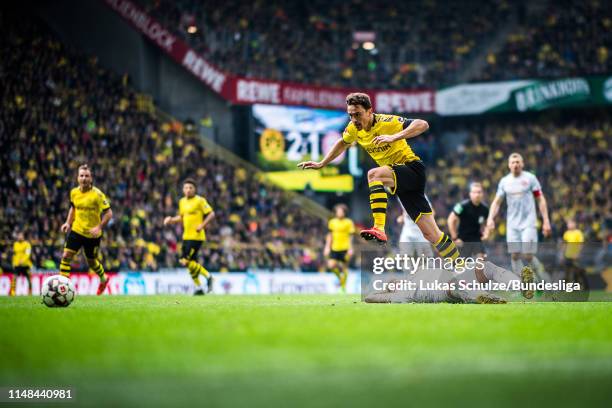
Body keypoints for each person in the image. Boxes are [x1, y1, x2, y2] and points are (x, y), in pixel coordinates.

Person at [298, 93, 461, 264]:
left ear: (369, 111)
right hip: (400, 182)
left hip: (412, 169)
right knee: (431, 234)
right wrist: (322, 163)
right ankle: (461, 267)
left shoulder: (386, 122)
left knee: (373, 174)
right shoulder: (354, 129)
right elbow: (342, 143)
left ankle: (379, 228)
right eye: (350, 115)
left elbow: (423, 124)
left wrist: (395, 136)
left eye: (358, 114)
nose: (354, 119)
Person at [486, 153, 552, 281]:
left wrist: (546, 221)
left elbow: (540, 199)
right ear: (509, 165)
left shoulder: (530, 178)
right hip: (512, 225)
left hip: (529, 223)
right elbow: (497, 202)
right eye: (513, 162)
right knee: (515, 255)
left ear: (522, 164)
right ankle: (528, 284)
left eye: (518, 162)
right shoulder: (505, 181)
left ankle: (543, 280)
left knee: (528, 254)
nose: (515, 164)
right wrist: (490, 218)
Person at [364, 261, 534, 304]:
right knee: (455, 287)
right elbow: (370, 298)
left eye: (394, 281)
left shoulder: (415, 273)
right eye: (392, 285)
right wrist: (384, 292)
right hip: (437, 289)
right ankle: (483, 297)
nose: (394, 281)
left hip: (453, 274)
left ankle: (521, 286)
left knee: (487, 267)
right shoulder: (403, 295)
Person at [59, 164, 113, 295]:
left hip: (93, 235)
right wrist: (68, 223)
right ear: (77, 178)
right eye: (81, 175)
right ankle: (63, 289)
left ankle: (103, 279)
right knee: (66, 256)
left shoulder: (98, 195)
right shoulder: (74, 192)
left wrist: (99, 227)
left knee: (92, 262)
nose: (84, 178)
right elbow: (73, 208)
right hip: (77, 230)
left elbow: (109, 213)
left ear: (91, 178)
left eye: (86, 176)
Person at [164, 178, 215, 295]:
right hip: (186, 236)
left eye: (190, 188)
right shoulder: (182, 201)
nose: (188, 190)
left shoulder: (200, 201)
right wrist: (171, 220)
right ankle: (199, 288)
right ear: (183, 189)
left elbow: (212, 213)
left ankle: (209, 277)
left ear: (195, 189)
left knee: (184, 261)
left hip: (196, 236)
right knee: (190, 264)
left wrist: (202, 225)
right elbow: (181, 217)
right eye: (186, 188)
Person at [447, 182, 489, 259]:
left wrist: (486, 233)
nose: (477, 194)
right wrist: (455, 238)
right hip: (462, 240)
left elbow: (487, 223)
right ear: (470, 194)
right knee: (461, 267)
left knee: (481, 261)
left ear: (482, 194)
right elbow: (451, 219)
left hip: (476, 239)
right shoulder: (462, 206)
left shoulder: (485, 209)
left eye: (479, 192)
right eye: (474, 192)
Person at [324, 204, 355, 292]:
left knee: (344, 267)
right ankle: (341, 280)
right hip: (334, 248)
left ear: (344, 213)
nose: (339, 213)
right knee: (331, 265)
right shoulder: (332, 222)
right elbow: (329, 235)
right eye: (338, 211)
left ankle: (343, 287)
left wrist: (350, 248)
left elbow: (351, 236)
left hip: (345, 248)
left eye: (341, 211)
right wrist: (327, 247)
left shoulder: (348, 222)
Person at [563, 218, 587, 289]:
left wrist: (577, 254)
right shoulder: (566, 233)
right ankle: (567, 288)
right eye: (568, 224)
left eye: (570, 223)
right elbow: (565, 244)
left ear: (574, 224)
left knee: (576, 273)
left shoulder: (578, 233)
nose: (568, 225)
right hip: (567, 256)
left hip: (575, 256)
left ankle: (579, 287)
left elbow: (581, 244)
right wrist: (563, 254)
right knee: (567, 273)